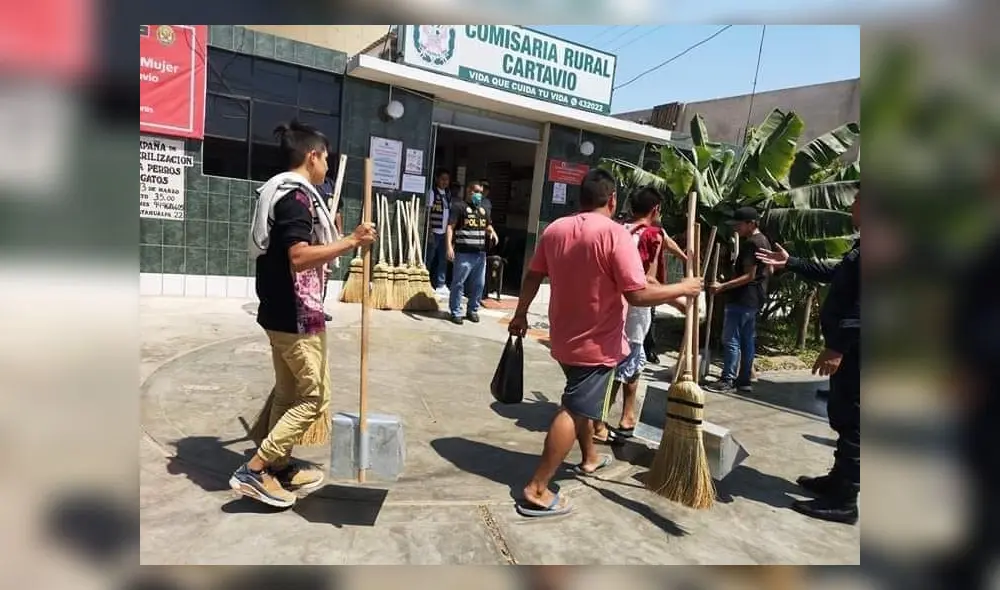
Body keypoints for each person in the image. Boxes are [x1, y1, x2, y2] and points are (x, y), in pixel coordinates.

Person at [507, 168, 703, 517]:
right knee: (573, 408)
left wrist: (520, 314)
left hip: (564, 338)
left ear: (580, 198)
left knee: (582, 403)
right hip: (596, 344)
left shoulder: (555, 229)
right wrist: (684, 289)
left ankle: (590, 458)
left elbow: (533, 275)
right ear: (612, 200)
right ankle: (537, 488)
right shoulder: (615, 236)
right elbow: (638, 294)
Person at [233, 120, 376, 508]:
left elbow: (294, 249)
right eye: (325, 159)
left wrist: (339, 237)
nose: (327, 166)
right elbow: (297, 257)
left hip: (279, 313)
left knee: (288, 393)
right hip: (295, 316)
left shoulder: (281, 193)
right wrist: (350, 242)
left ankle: (277, 464)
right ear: (312, 156)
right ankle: (256, 469)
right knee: (314, 398)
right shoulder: (295, 198)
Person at [756, 191, 860, 524]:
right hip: (853, 348)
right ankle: (838, 481)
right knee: (844, 416)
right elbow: (836, 273)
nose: (852, 207)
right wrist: (792, 263)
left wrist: (838, 347)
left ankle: (846, 501)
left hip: (859, 350)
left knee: (856, 421)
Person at [593, 186, 685, 443]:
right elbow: (648, 279)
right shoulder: (651, 236)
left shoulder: (619, 229)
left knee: (621, 362)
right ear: (655, 210)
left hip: (608, 305)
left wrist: (683, 255)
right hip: (635, 307)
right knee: (627, 362)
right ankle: (602, 420)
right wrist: (677, 298)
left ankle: (623, 416)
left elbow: (666, 240)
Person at [704, 207, 772, 394]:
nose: (736, 228)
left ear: (751, 224)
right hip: (755, 298)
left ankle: (727, 379)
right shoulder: (764, 241)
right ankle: (744, 380)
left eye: (739, 224)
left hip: (742, 298)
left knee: (731, 339)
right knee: (747, 340)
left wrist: (722, 287)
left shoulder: (751, 244)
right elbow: (770, 270)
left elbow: (749, 276)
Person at [446, 182, 497, 324]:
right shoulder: (459, 207)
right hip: (464, 253)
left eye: (481, 192)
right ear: (469, 191)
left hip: (480, 254)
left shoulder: (482, 210)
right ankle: (455, 311)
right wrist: (449, 246)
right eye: (476, 191)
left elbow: (487, 225)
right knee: (458, 283)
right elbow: (450, 227)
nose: (479, 194)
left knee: (479, 284)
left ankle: (472, 310)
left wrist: (493, 232)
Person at [315, 171, 345, 322]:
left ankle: (320, 307)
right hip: (315, 234)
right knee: (314, 273)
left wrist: (340, 233)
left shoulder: (331, 184)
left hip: (329, 235)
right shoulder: (310, 183)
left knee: (326, 274)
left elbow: (337, 211)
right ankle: (309, 307)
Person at [424, 169, 452, 296]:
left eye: (447, 179)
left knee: (443, 259)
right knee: (430, 258)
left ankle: (441, 284)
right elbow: (428, 212)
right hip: (434, 231)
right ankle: (425, 281)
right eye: (442, 179)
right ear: (437, 179)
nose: (445, 182)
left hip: (444, 232)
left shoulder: (448, 194)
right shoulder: (432, 193)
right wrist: (429, 230)